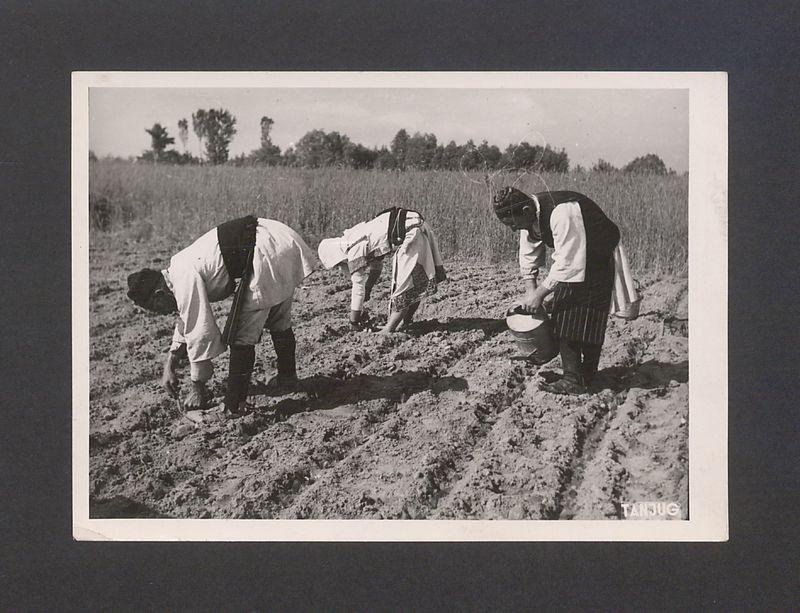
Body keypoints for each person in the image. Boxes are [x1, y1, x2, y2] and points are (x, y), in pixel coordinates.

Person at [126, 215, 316, 415]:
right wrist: (169, 365)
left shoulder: (182, 279)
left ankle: (235, 405)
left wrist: (197, 388)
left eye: (157, 309)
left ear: (159, 295)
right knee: (279, 320)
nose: (163, 313)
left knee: (240, 336)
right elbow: (185, 322)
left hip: (263, 251)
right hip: (276, 240)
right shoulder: (177, 271)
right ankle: (287, 377)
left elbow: (199, 333)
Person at [493, 187, 621, 395]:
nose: (514, 230)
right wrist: (531, 291)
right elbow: (529, 254)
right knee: (568, 312)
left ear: (525, 210)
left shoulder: (562, 212)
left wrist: (540, 294)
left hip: (598, 257)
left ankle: (577, 379)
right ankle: (579, 376)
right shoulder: (530, 217)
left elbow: (568, 262)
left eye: (513, 224)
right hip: (578, 259)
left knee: (584, 316)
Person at [317, 207, 446, 333]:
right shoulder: (356, 234)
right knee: (416, 281)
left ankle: (388, 329)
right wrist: (369, 287)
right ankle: (404, 322)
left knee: (405, 286)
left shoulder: (352, 249)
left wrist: (353, 321)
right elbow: (377, 266)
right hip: (416, 225)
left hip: (409, 232)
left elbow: (358, 288)